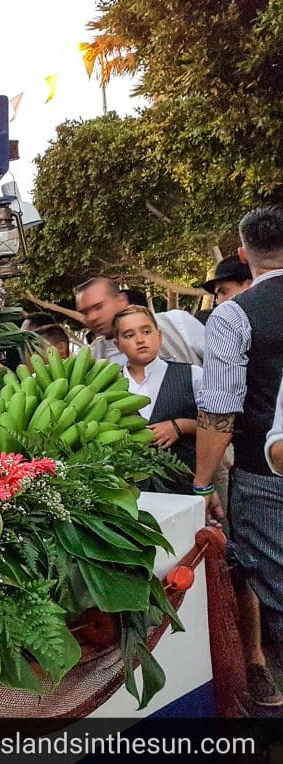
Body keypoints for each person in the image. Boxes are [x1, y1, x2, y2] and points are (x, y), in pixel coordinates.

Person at [195, 207, 283, 708]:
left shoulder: (234, 315)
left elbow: (219, 411)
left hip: (261, 477)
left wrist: (204, 484)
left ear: (244, 254)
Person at [112, 306, 202, 494]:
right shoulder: (110, 386)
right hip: (128, 495)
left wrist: (181, 425)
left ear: (159, 336)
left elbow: (218, 428)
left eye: (146, 331)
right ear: (117, 344)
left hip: (183, 489)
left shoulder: (192, 375)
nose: (140, 340)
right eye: (129, 335)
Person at [74, 276, 205, 366]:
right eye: (85, 312)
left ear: (121, 300)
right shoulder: (91, 358)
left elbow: (222, 364)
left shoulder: (176, 322)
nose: (92, 317)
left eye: (98, 307)